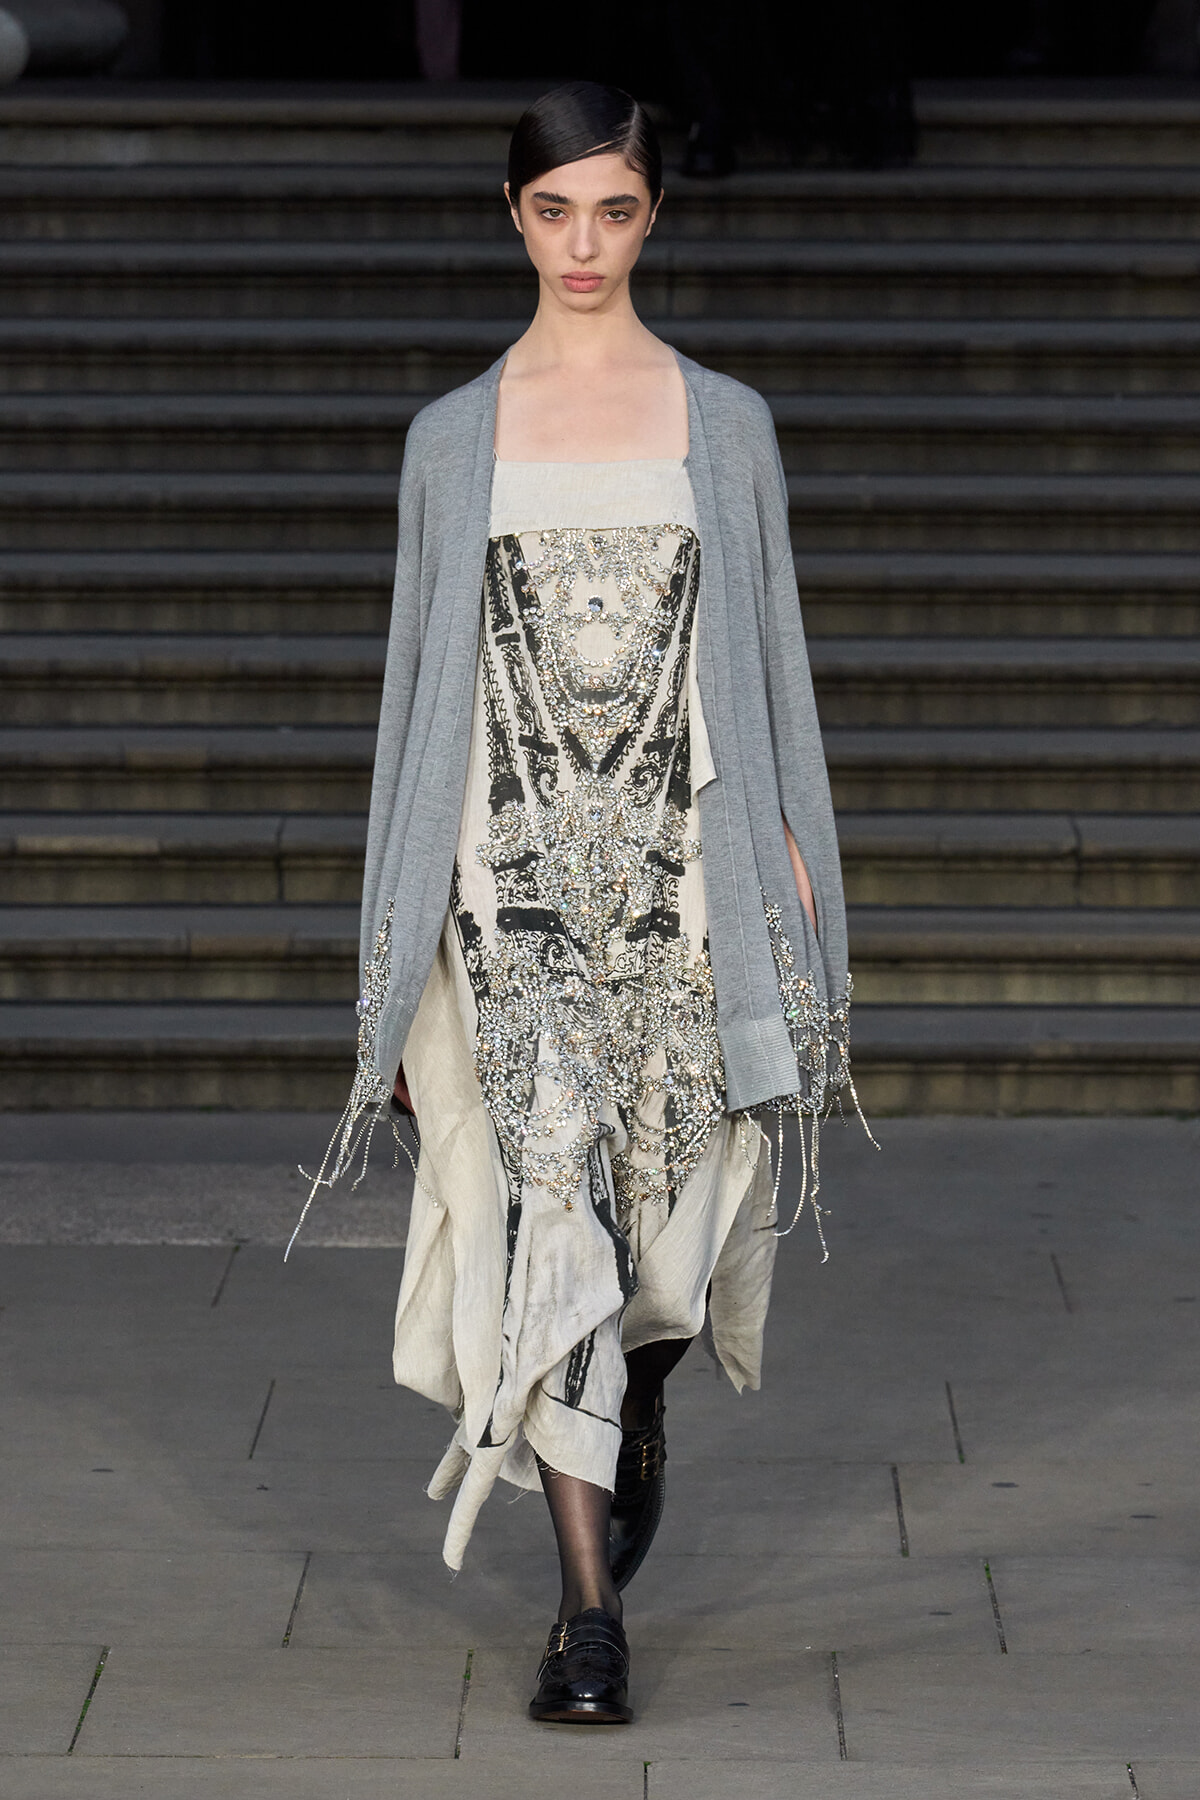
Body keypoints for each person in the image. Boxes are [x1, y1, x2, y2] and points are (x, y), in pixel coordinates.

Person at [293, 80, 863, 1727]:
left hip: (687, 900)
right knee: (556, 1228)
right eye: (557, 210)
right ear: (511, 210)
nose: (585, 243)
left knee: (665, 1250)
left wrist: (797, 866)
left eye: (615, 209)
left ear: (653, 216)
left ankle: (647, 1396)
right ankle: (587, 1617)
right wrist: (395, 955)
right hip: (511, 899)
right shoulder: (451, 440)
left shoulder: (724, 424)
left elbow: (772, 680)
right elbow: (418, 707)